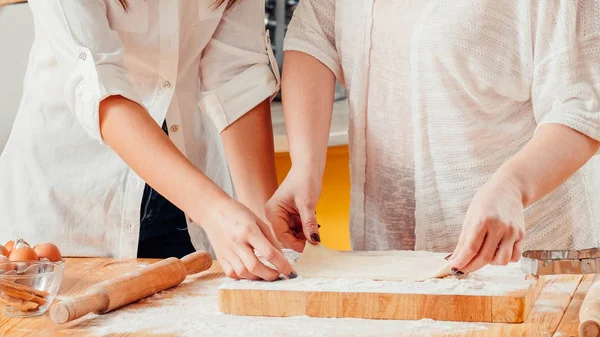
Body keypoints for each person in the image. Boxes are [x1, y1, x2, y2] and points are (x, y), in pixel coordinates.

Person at [267, 0, 600, 275]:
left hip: (525, 261)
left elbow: (582, 104)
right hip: (388, 263)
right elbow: (315, 36)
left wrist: (514, 186)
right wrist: (305, 166)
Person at [0, 0, 295, 281]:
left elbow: (237, 74)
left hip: (187, 213)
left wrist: (264, 225)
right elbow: (99, 87)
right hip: (73, 211)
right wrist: (213, 210)